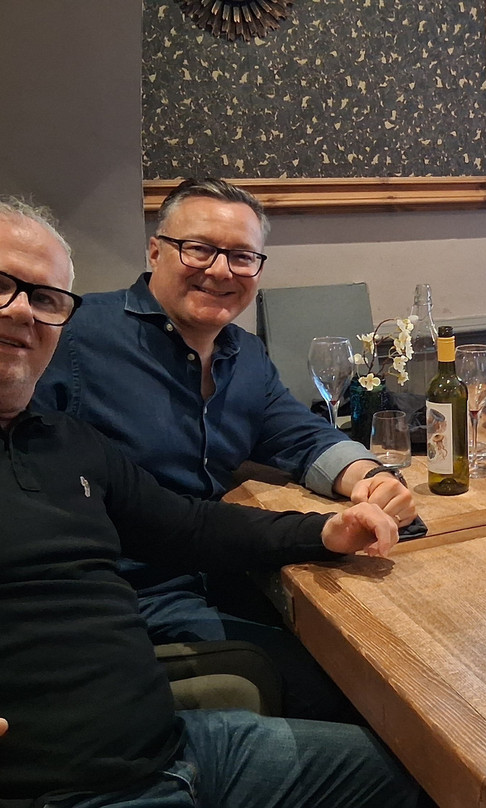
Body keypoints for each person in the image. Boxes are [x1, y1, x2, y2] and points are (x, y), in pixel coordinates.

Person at [0, 198, 423, 807]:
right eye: (199, 248)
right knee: (341, 681)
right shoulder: (82, 335)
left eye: (242, 256)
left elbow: (249, 473)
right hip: (141, 605)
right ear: (155, 251)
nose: (221, 270)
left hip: (193, 651)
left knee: (411, 755)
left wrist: (357, 488)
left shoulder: (237, 357)